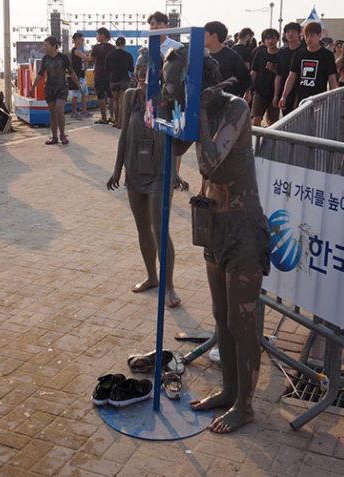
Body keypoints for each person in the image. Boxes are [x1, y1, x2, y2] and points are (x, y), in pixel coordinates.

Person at [171, 51, 270, 434]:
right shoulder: (198, 107)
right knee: (220, 316)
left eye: (174, 82)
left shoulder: (235, 108)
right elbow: (177, 148)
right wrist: (168, 109)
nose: (170, 88)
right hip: (215, 225)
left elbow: (209, 163)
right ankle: (229, 391)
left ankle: (245, 405)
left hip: (243, 228)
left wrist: (196, 111)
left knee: (242, 322)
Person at [106, 62, 186, 308]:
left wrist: (174, 172)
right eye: (139, 73)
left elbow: (178, 135)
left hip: (158, 172)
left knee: (160, 230)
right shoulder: (132, 96)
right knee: (143, 229)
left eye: (148, 74)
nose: (142, 78)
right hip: (134, 170)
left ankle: (169, 286)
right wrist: (117, 169)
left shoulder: (168, 99)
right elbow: (124, 135)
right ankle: (152, 276)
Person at [30, 36, 80, 145]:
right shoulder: (45, 59)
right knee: (52, 113)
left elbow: (71, 72)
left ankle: (62, 134)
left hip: (61, 88)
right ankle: (54, 137)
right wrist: (33, 87)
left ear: (53, 46)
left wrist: (78, 85)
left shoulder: (63, 58)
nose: (45, 48)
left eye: (46, 45)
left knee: (59, 110)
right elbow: (40, 74)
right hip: (49, 89)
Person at [279, 22, 338, 109]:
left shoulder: (327, 55)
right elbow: (291, 77)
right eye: (306, 36)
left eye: (311, 36)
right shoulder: (299, 54)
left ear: (319, 35)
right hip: (301, 100)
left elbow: (332, 79)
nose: (308, 39)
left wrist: (334, 97)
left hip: (319, 99)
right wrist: (284, 96)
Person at [204, 22, 251, 98]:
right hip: (203, 103)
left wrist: (232, 96)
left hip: (224, 104)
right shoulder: (201, 56)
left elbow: (246, 79)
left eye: (204, 33)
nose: (200, 36)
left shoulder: (232, 56)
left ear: (214, 36)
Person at [250, 28, 281, 126]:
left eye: (273, 38)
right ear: (263, 41)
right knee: (255, 120)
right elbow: (253, 72)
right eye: (267, 39)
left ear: (277, 39)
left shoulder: (282, 54)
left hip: (275, 92)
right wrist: (247, 90)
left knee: (273, 122)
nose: (270, 41)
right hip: (259, 92)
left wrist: (273, 69)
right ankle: (257, 141)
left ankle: (268, 141)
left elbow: (283, 74)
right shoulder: (260, 54)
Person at [273, 22, 304, 117]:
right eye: (288, 32)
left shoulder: (305, 51)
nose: (290, 34)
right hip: (286, 92)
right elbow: (279, 76)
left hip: (301, 90)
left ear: (299, 33)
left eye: (293, 31)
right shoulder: (282, 53)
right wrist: (276, 95)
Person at [105, 36, 134, 129]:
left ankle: (115, 120)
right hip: (124, 79)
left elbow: (107, 68)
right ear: (124, 44)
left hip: (113, 79)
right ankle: (121, 123)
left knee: (115, 101)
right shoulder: (128, 55)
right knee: (122, 102)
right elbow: (131, 69)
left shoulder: (109, 55)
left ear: (116, 44)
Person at [89, 27, 115, 125]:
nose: (97, 37)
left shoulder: (96, 47)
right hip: (110, 74)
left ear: (102, 35)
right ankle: (113, 117)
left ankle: (104, 118)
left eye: (97, 35)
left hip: (99, 74)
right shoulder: (112, 48)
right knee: (111, 96)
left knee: (100, 96)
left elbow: (90, 59)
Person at [68, 32, 91, 119]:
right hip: (77, 76)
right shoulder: (76, 51)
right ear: (76, 39)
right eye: (81, 39)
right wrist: (91, 55)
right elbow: (86, 58)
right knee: (76, 94)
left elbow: (85, 61)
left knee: (85, 93)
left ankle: (84, 111)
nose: (83, 41)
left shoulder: (80, 50)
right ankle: (74, 112)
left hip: (82, 75)